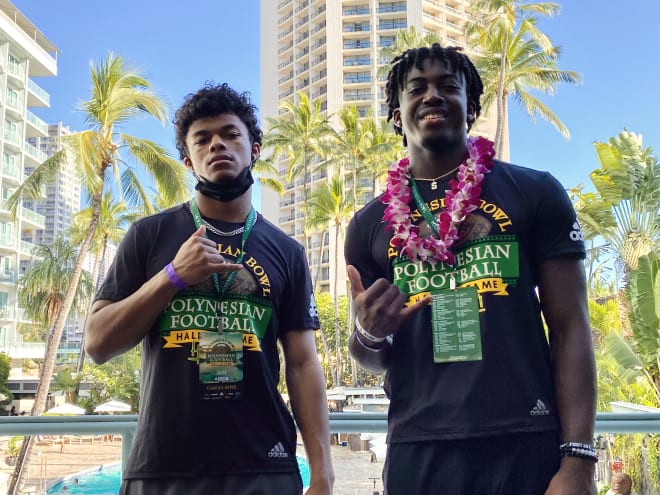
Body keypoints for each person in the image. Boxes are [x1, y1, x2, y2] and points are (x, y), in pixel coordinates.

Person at [345, 43, 597, 494]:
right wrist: (369, 332)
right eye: (416, 88)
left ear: (472, 105)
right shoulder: (367, 224)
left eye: (448, 86)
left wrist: (578, 459)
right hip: (418, 446)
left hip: (525, 435)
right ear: (397, 115)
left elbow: (571, 329)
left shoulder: (535, 191)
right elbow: (371, 357)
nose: (432, 96)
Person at [85, 83, 334, 495]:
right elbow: (97, 344)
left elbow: (304, 365)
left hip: (264, 468)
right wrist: (172, 276)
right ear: (187, 160)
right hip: (164, 469)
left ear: (254, 149)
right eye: (202, 139)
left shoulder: (287, 251)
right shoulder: (149, 235)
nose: (217, 143)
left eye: (230, 134)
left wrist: (323, 472)